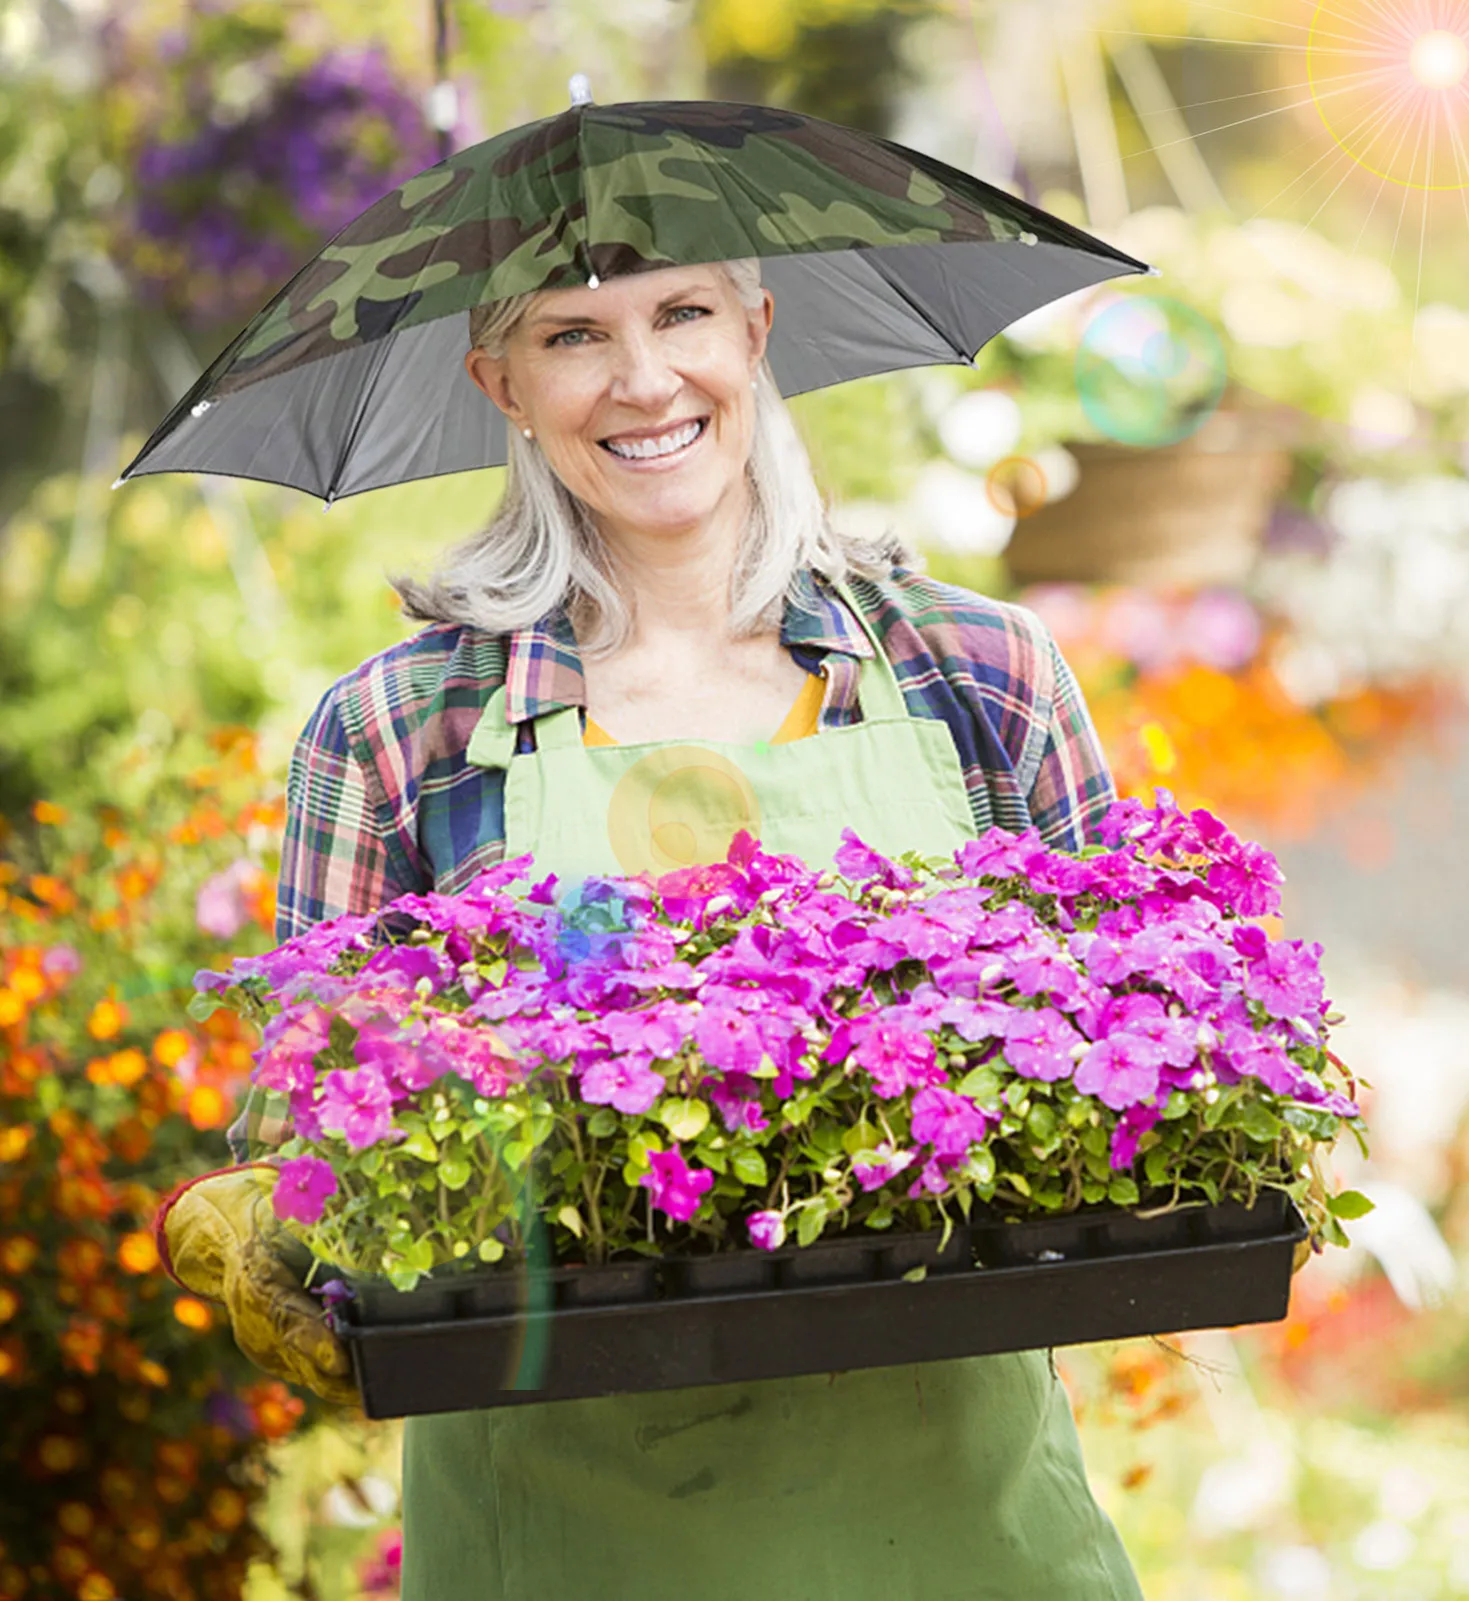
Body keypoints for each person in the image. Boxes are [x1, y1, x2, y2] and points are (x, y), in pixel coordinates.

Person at [157, 253, 1143, 1600]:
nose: (642, 378)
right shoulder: (403, 728)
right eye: (573, 335)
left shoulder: (977, 675)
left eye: (683, 314)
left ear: (756, 332)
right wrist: (285, 1211)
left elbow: (1142, 1040)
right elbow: (310, 1112)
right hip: (563, 1531)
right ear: (499, 384)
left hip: (956, 1513)